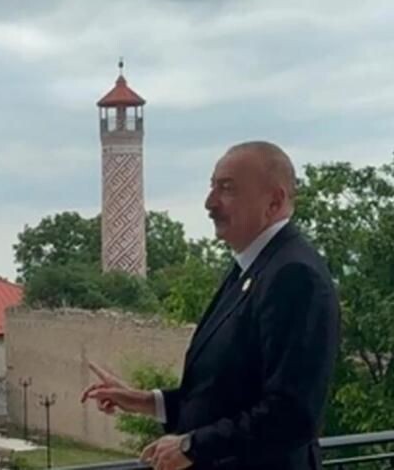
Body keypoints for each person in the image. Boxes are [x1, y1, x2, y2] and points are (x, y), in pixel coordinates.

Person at [82, 141, 340, 470]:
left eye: (227, 189)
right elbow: (225, 396)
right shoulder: (250, 268)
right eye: (212, 186)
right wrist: (145, 401)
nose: (209, 203)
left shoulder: (294, 275)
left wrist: (192, 446)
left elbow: (291, 415)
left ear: (274, 201)